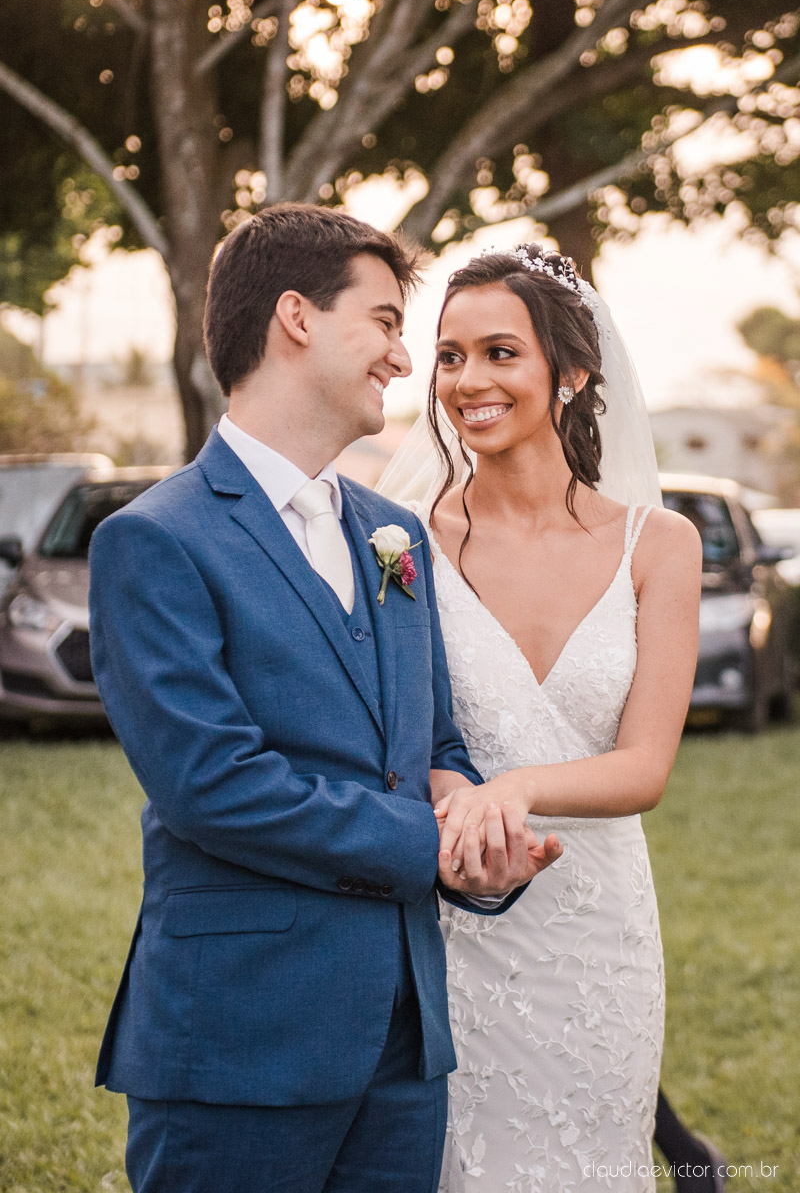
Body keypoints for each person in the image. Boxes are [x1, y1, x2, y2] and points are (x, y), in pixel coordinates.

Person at [88, 205, 563, 1193]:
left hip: (404, 1041)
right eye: (385, 322)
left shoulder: (394, 536)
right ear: (296, 317)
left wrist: (477, 833)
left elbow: (432, 743)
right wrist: (426, 842)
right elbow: (212, 786)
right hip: (240, 1036)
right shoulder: (154, 540)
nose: (403, 358)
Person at [377, 244, 702, 1192]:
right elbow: (395, 728)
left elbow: (644, 767)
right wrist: (463, 808)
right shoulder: (400, 541)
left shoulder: (659, 545)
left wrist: (512, 788)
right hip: (453, 919)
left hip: (597, 937)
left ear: (574, 373)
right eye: (450, 356)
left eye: (500, 353)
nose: (468, 381)